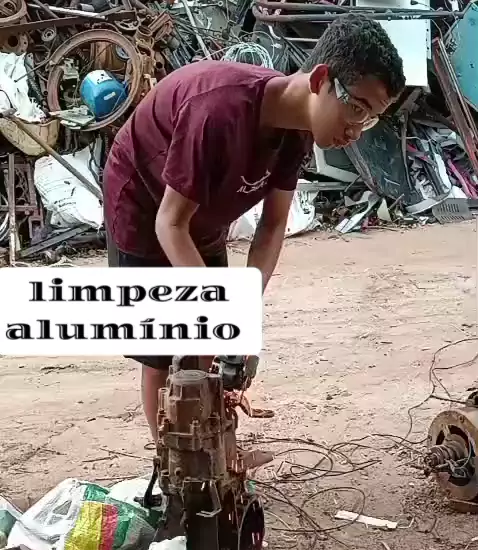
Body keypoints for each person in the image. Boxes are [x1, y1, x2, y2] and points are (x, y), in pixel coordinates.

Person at [103, 13, 405, 441]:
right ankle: (169, 460)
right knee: (163, 350)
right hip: (145, 205)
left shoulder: (298, 131)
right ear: (321, 79)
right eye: (356, 108)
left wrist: (241, 309)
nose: (356, 131)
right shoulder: (218, 112)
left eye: (370, 118)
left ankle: (205, 446)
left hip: (201, 211)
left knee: (207, 336)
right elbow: (169, 224)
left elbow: (272, 226)